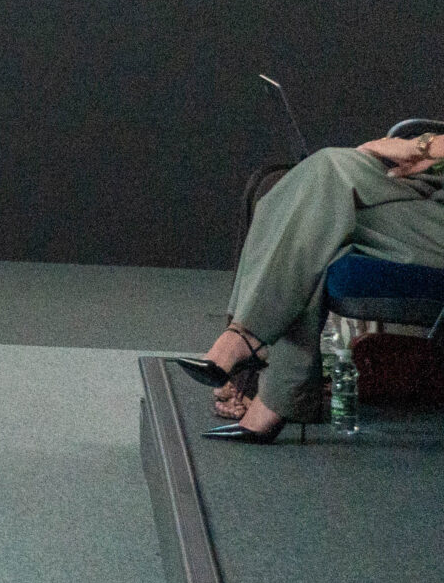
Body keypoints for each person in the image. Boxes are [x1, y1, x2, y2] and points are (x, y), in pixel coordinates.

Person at [172, 133, 444, 442]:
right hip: (430, 182)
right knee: (305, 185)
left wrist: (418, 146)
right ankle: (259, 366)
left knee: (319, 216)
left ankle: (258, 362)